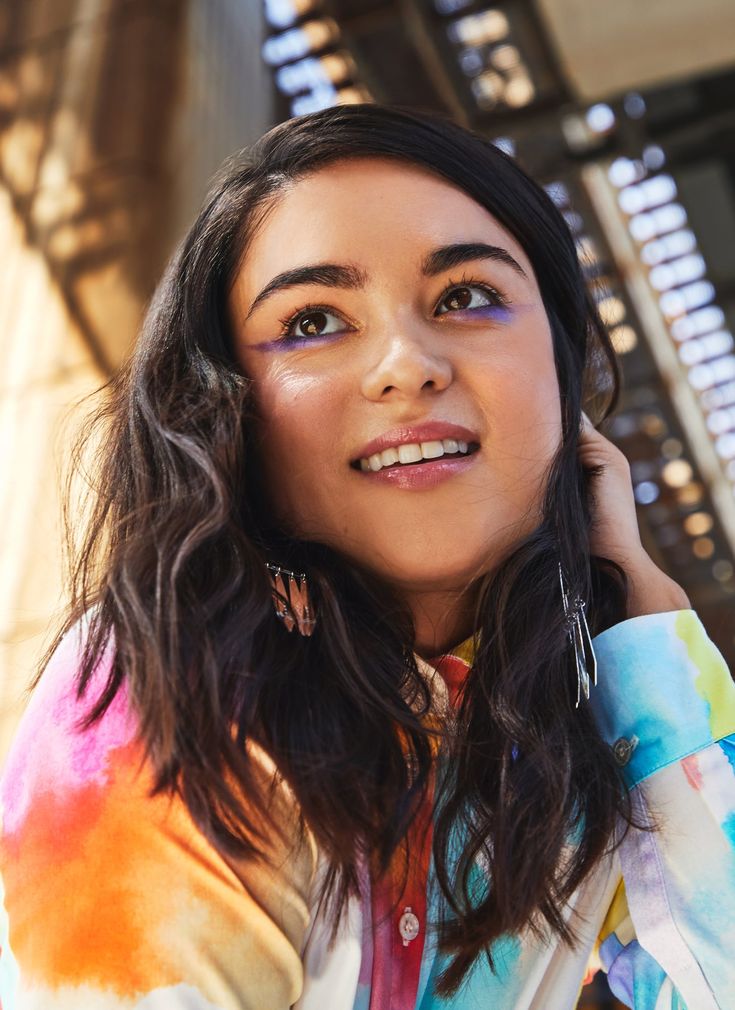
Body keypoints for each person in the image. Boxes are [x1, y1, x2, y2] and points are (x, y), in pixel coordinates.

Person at [1, 103, 733, 1010]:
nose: (406, 364)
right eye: (312, 321)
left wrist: (644, 625)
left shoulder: (567, 739)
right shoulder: (164, 690)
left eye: (465, 297)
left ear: (562, 377)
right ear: (228, 416)